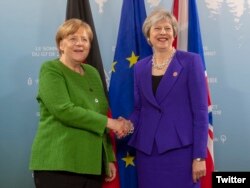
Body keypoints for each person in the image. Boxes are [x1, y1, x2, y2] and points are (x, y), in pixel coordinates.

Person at [29, 18, 132, 188]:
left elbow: (100, 114)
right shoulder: (51, 69)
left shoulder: (92, 73)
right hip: (58, 164)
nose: (80, 44)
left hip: (92, 165)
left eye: (84, 39)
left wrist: (108, 158)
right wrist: (112, 123)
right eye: (73, 39)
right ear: (61, 45)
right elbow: (65, 111)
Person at [128, 8, 209, 188]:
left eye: (167, 28)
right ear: (148, 34)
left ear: (174, 33)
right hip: (148, 153)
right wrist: (126, 125)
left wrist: (199, 156)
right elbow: (139, 109)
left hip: (181, 152)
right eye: (157, 28)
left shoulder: (190, 61)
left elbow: (201, 112)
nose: (163, 32)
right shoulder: (140, 68)